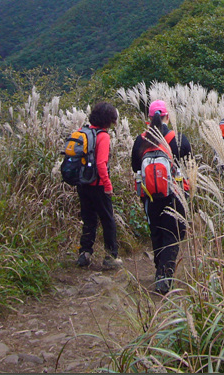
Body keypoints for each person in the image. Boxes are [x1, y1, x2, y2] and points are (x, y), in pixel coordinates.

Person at [131, 100, 192, 295]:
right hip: (174, 194)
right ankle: (164, 275)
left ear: (149, 118)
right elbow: (189, 163)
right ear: (167, 116)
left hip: (149, 195)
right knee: (173, 232)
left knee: (156, 230)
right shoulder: (178, 138)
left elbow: (134, 167)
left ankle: (160, 268)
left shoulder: (141, 140)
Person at [76, 101, 123, 270]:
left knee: (88, 220)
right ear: (108, 119)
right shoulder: (103, 136)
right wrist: (107, 185)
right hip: (98, 185)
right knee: (107, 220)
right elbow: (101, 163)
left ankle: (85, 253)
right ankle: (111, 256)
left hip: (82, 184)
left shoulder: (84, 131)